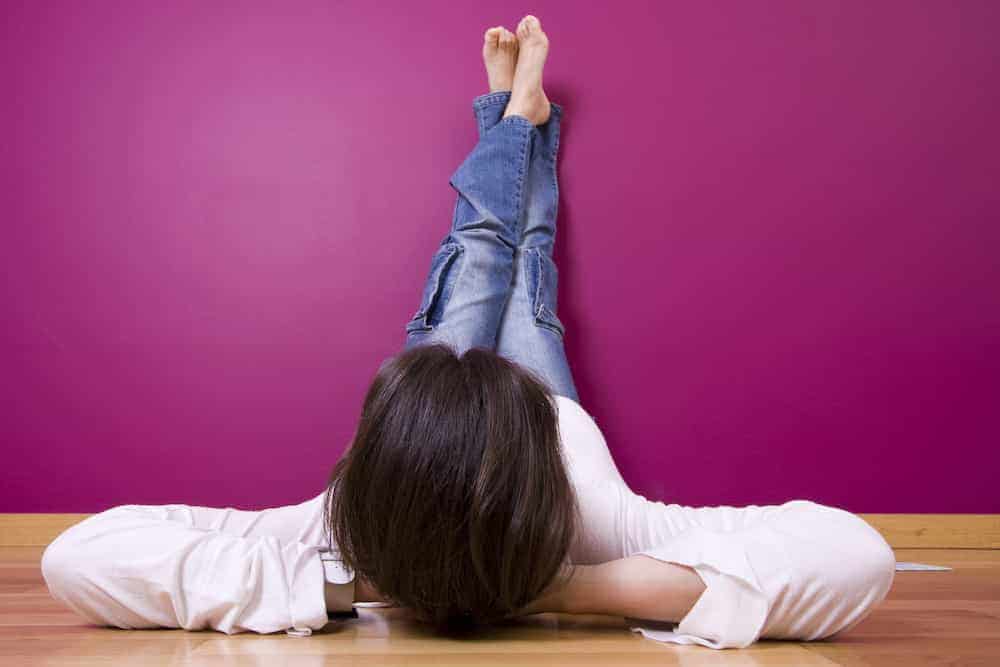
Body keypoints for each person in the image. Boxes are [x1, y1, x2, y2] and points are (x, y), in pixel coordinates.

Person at [40, 15, 895, 649]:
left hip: (462, 418)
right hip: (498, 429)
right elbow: (81, 556)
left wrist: (399, 583)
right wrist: (563, 586)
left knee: (476, 250)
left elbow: (855, 557)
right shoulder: (574, 519)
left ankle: (511, 123)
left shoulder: (343, 523)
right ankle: (522, 126)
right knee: (526, 273)